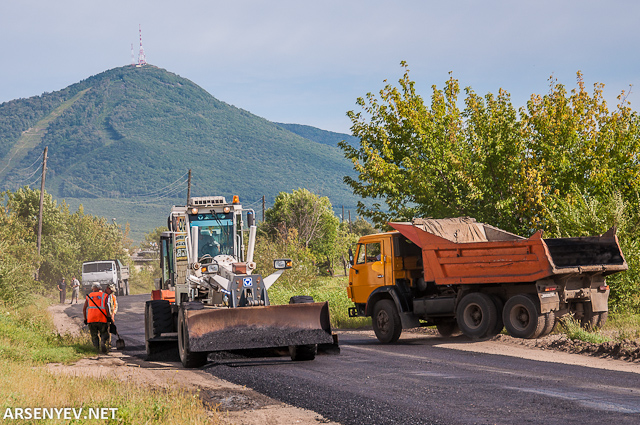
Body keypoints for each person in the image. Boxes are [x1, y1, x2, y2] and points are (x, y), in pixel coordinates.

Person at [83, 282, 110, 353]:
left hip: (91, 319)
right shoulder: (104, 295)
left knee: (94, 335)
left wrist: (85, 319)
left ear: (92, 288)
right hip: (102, 318)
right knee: (104, 333)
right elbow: (107, 307)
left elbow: (84, 308)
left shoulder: (88, 296)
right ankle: (103, 342)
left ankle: (96, 350)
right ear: (99, 288)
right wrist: (108, 316)